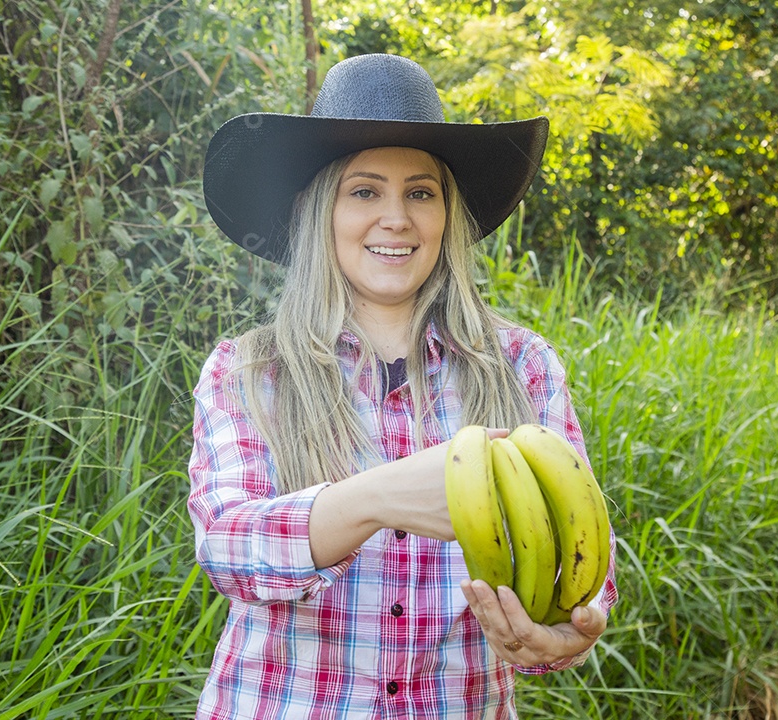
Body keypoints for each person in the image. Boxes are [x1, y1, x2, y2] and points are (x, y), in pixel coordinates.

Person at [188, 53, 617, 719]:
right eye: (364, 192)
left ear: (448, 215)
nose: (397, 218)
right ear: (316, 208)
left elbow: (583, 571)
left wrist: (560, 637)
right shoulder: (248, 371)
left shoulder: (524, 366)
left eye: (421, 192)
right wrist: (375, 499)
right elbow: (227, 551)